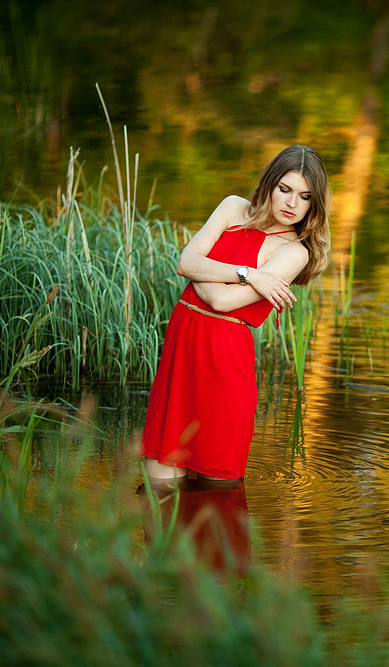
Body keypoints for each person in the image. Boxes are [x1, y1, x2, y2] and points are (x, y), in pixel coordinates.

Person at [141, 144, 331, 481]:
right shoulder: (233, 208)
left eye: (304, 197)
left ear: (314, 204)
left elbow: (220, 301)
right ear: (270, 184)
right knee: (159, 485)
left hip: (224, 362)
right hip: (182, 347)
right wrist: (251, 273)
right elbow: (185, 263)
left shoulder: (294, 252)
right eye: (284, 189)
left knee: (218, 493)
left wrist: (206, 268)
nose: (291, 203)